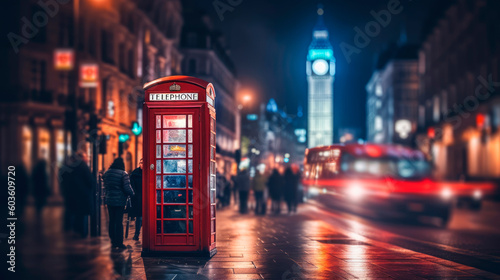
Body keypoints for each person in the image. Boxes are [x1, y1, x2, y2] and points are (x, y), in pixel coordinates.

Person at [60, 151, 95, 238]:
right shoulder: (83, 166)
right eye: (85, 157)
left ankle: (74, 230)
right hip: (83, 195)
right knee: (83, 215)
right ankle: (82, 233)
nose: (86, 159)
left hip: (72, 195)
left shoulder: (68, 167)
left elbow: (64, 180)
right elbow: (90, 181)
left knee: (75, 213)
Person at [103, 158, 134, 250]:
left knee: (112, 221)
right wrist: (132, 194)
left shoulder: (107, 173)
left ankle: (112, 242)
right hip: (120, 200)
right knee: (119, 222)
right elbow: (127, 187)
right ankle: (119, 243)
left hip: (109, 199)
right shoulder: (123, 174)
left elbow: (105, 185)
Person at [129, 158, 143, 241]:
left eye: (143, 163)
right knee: (139, 217)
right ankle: (136, 234)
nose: (142, 164)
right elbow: (132, 186)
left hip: (148, 198)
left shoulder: (150, 172)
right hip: (138, 198)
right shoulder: (134, 174)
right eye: (140, 162)